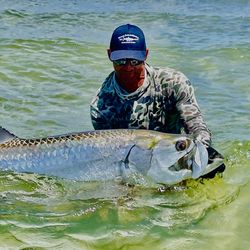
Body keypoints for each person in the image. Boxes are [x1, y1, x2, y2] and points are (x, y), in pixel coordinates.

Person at [90, 23, 211, 147]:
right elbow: (109, 151)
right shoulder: (100, 106)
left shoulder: (173, 83)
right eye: (120, 61)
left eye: (134, 61)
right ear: (109, 54)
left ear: (146, 55)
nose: (128, 68)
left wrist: (204, 151)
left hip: (174, 154)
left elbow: (196, 125)